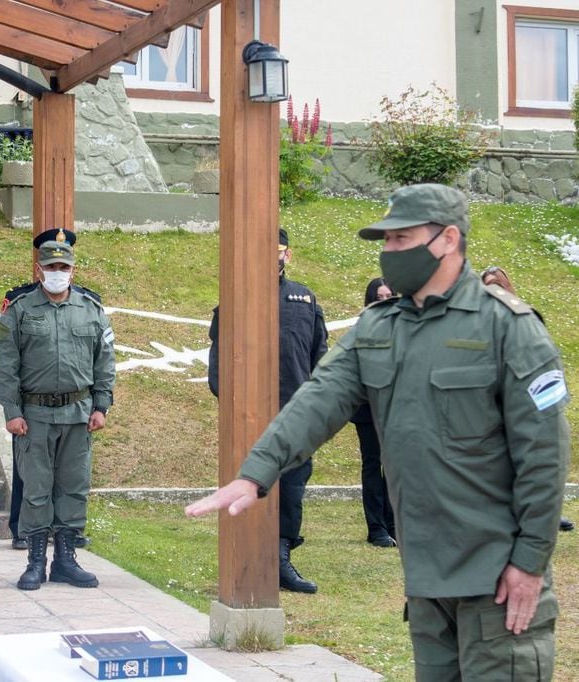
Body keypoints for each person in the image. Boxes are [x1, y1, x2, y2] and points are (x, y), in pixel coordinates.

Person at [187, 184, 568, 680]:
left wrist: (530, 563)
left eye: (400, 239)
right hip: (427, 579)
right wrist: (255, 474)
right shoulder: (379, 328)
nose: (388, 253)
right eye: (385, 242)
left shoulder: (509, 329)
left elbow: (545, 457)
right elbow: (315, 401)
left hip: (499, 579)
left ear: (448, 239)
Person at [207, 228, 328, 593]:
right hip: (249, 418)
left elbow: (320, 357)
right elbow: (218, 367)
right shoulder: (235, 299)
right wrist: (234, 405)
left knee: (291, 490)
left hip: (294, 415)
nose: (272, 258)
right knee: (249, 489)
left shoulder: (304, 300)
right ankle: (245, 560)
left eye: (278, 251)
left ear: (286, 255)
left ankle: (281, 559)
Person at [0, 231, 116, 591]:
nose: (57, 272)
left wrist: (102, 404)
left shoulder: (91, 310)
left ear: (73, 270)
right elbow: (6, 366)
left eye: (63, 266)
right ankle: (35, 561)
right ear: (39, 269)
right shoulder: (19, 310)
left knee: (74, 487)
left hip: (78, 413)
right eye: (51, 266)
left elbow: (104, 361)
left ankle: (65, 559)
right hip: (35, 415)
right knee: (36, 489)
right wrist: (12, 411)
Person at [479, 265, 574, 535]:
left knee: (538, 459)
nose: (493, 290)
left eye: (498, 284)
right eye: (488, 285)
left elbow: (545, 361)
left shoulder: (527, 318)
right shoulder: (476, 325)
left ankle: (546, 514)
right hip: (493, 406)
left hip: (529, 402)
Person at [350, 277, 396, 548]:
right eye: (379, 297)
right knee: (372, 465)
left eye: (389, 295)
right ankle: (376, 528)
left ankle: (394, 525)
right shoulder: (362, 329)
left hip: (395, 410)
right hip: (369, 409)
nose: (384, 301)